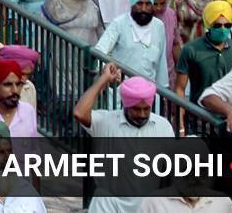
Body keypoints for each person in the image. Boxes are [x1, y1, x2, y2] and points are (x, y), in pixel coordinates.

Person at [74, 65, 174, 213]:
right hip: (107, 204)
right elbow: (79, 112)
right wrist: (104, 80)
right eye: (136, 109)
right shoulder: (107, 121)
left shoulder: (163, 126)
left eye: (146, 109)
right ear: (125, 105)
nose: (141, 114)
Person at [174, 0, 232, 106]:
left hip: (231, 117)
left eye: (227, 25)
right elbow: (180, 89)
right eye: (218, 25)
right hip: (200, 117)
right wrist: (181, 121)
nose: (223, 29)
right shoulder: (191, 50)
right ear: (209, 25)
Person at [96, 0, 169, 87]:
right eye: (139, 3)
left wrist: (164, 87)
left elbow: (161, 62)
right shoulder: (119, 23)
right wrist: (109, 73)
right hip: (121, 91)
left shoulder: (159, 26)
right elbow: (99, 51)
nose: (143, 8)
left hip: (148, 92)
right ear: (132, 4)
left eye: (148, 4)